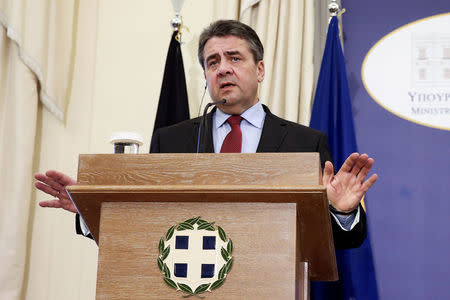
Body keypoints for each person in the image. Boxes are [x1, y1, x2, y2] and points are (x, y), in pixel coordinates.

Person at [35, 20, 377, 249]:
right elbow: (145, 226)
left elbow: (338, 241)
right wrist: (88, 211)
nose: (223, 68)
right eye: (212, 62)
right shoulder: (171, 141)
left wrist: (341, 212)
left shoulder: (305, 143)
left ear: (259, 70)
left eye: (234, 58)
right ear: (205, 76)